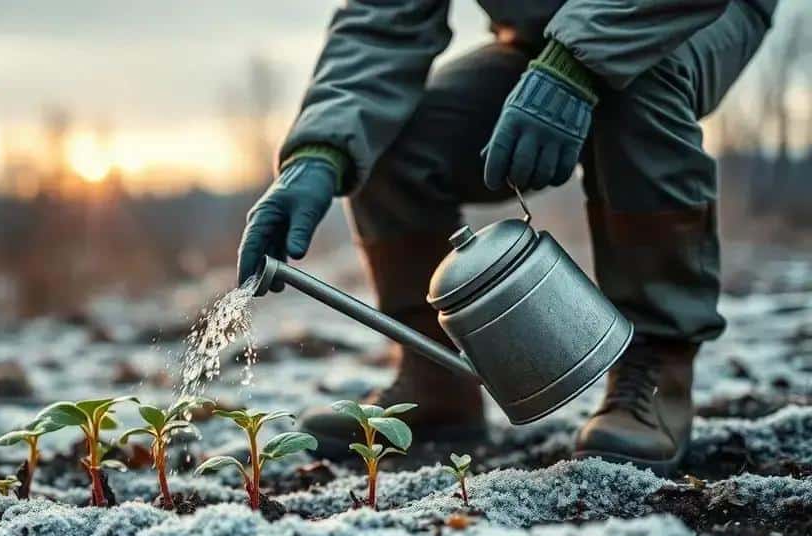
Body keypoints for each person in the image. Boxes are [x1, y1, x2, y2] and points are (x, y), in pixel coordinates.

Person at [237, 0, 777, 475]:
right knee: (387, 134)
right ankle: (435, 379)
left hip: (689, 14)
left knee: (641, 77)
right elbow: (383, 22)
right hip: (540, 32)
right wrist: (317, 155)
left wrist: (574, 65)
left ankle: (656, 371)